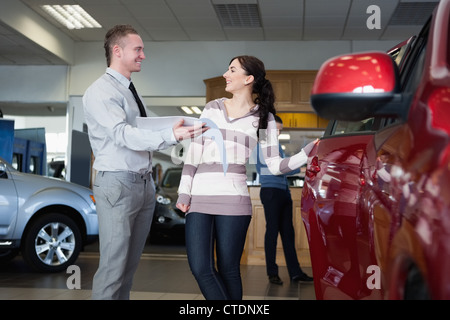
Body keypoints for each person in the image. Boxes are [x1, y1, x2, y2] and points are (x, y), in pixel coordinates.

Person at [176, 55, 317, 300]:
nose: (225, 74)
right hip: (198, 197)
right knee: (201, 268)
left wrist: (306, 153)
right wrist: (184, 192)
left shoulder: (264, 119)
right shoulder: (213, 108)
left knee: (229, 270)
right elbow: (193, 153)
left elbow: (275, 166)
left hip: (233, 200)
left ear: (248, 78)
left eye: (232, 70)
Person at [83, 24, 204, 300]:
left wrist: (184, 125)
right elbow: (122, 134)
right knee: (113, 269)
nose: (143, 55)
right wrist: (171, 134)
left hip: (142, 184)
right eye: (138, 49)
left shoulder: (128, 90)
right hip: (118, 183)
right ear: (117, 51)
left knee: (127, 269)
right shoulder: (101, 91)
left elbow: (144, 126)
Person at [256, 115, 314, 285]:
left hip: (283, 192)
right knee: (272, 232)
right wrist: (299, 168)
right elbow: (276, 169)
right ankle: (272, 273)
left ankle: (295, 273)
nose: (278, 133)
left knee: (288, 233)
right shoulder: (262, 145)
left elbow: (283, 166)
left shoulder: (276, 147)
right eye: (276, 130)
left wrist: (295, 167)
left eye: (280, 130)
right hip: (271, 192)